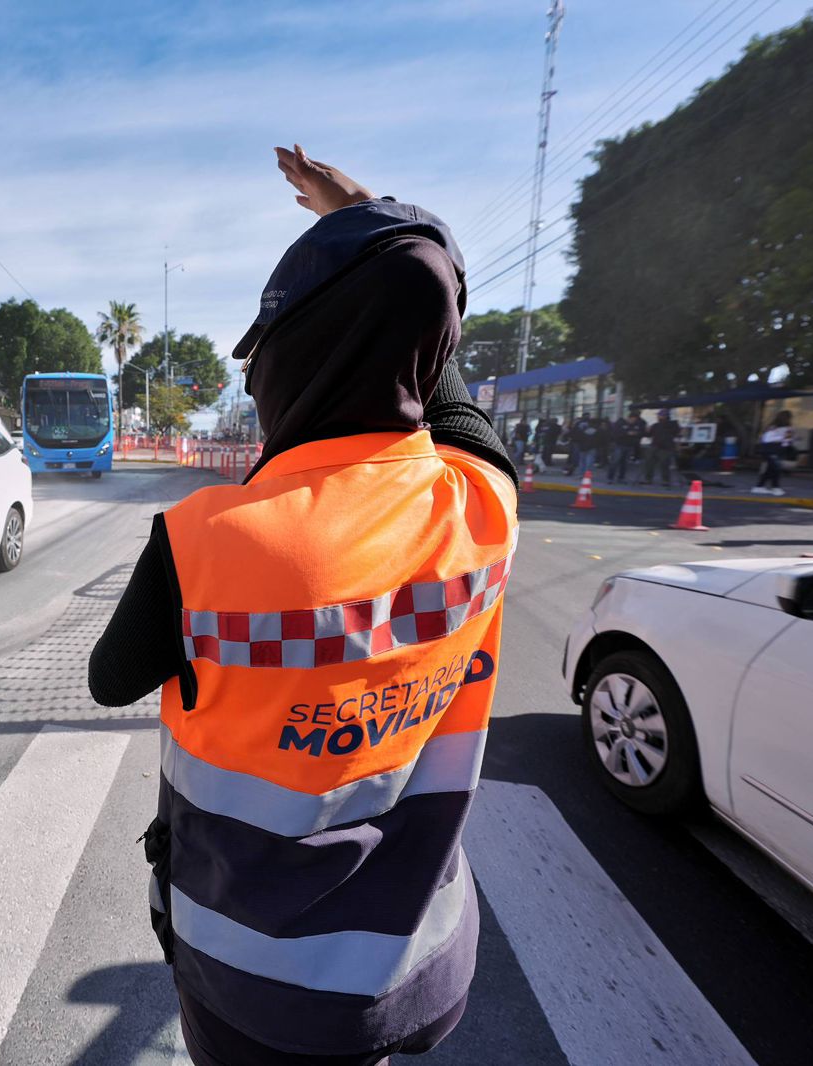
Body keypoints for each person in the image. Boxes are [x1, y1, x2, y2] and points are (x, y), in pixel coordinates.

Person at [89, 145, 518, 1066]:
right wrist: (394, 232)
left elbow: (108, 678)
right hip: (418, 961)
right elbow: (451, 400)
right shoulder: (483, 505)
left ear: (286, 362)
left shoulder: (202, 541)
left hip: (252, 986)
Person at [753, 410, 795, 495]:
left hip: (766, 449)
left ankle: (759, 486)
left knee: (771, 468)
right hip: (777, 449)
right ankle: (775, 487)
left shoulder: (771, 426)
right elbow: (787, 441)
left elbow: (765, 438)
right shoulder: (788, 428)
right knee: (776, 469)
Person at [643, 409, 680, 486]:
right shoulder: (656, 425)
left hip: (665, 448)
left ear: (664, 416)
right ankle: (648, 479)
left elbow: (677, 433)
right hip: (655, 446)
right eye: (658, 415)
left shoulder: (672, 424)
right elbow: (648, 435)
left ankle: (665, 480)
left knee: (664, 464)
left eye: (659, 415)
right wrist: (646, 430)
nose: (658, 416)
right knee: (649, 463)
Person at [608, 412, 645, 484]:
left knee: (625, 463)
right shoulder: (620, 423)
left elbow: (640, 433)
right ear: (629, 418)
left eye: (635, 420)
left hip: (629, 446)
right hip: (619, 445)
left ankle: (621, 478)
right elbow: (615, 433)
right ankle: (610, 478)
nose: (633, 421)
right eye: (632, 419)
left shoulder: (636, 424)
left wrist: (636, 434)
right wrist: (627, 433)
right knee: (615, 462)